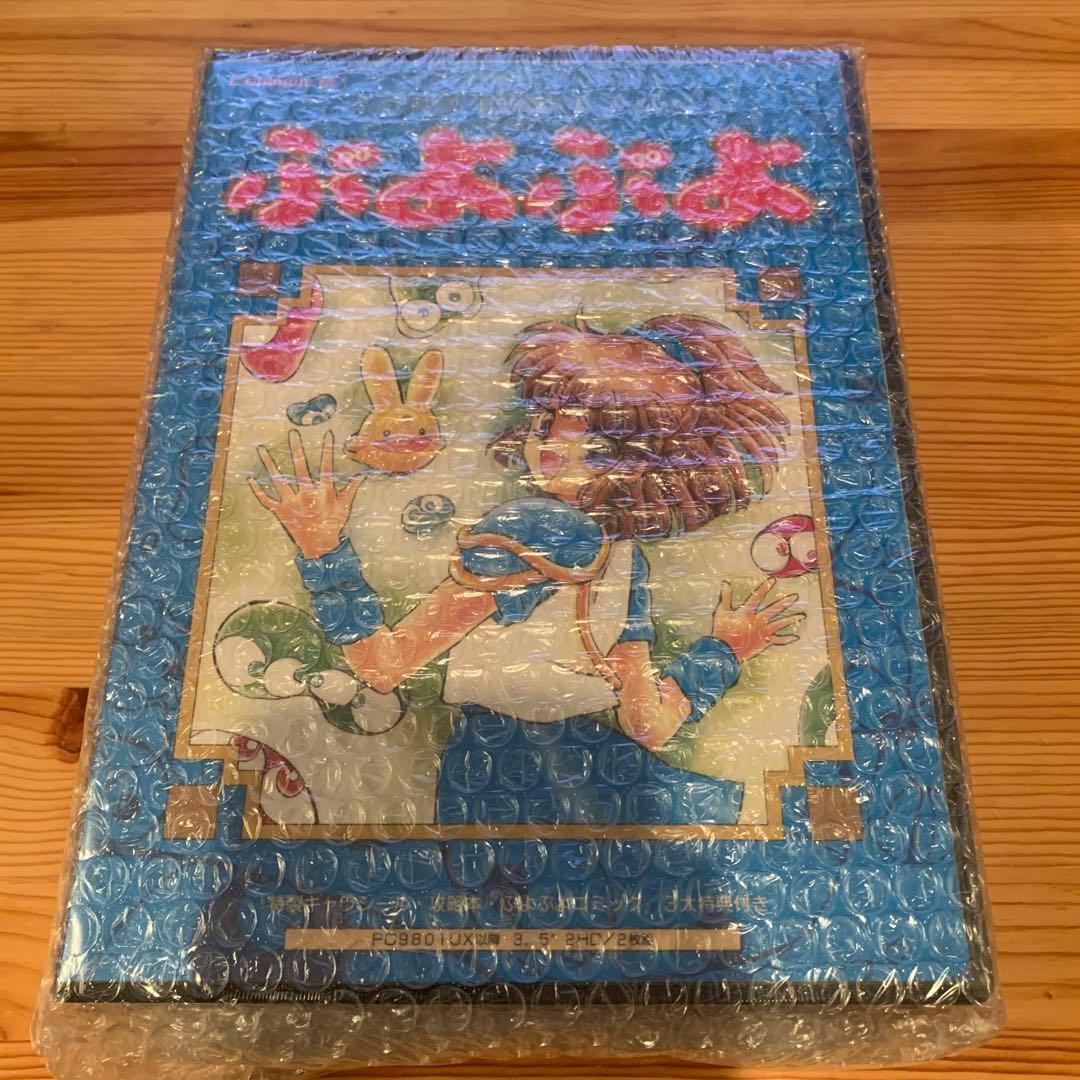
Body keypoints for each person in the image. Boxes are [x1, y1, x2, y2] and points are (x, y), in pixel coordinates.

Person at [250, 314, 803, 826]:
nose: (553, 447)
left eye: (598, 443)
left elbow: (383, 666)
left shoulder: (534, 527)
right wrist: (725, 651)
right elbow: (648, 726)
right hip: (610, 777)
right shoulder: (625, 558)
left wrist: (324, 552)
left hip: (498, 773)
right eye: (547, 423)